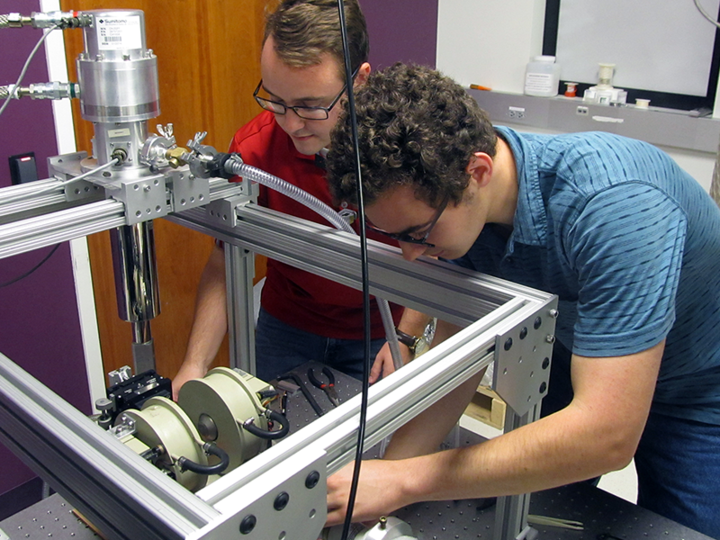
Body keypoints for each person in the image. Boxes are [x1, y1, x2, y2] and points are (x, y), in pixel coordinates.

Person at [324, 63, 720, 538]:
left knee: (681, 528)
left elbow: (608, 435)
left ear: (477, 172)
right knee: (536, 506)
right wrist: (378, 488)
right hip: (579, 356)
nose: (411, 256)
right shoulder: (460, 194)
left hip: (697, 386)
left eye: (417, 234)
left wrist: (408, 481)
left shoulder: (613, 209)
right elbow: (457, 367)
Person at [172, 1, 425, 398]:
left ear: (359, 82)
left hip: (381, 329)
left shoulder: (403, 150)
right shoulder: (254, 153)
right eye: (276, 99)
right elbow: (225, 257)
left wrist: (407, 337)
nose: (290, 123)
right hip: (287, 325)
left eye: (309, 105)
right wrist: (194, 363)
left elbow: (434, 254)